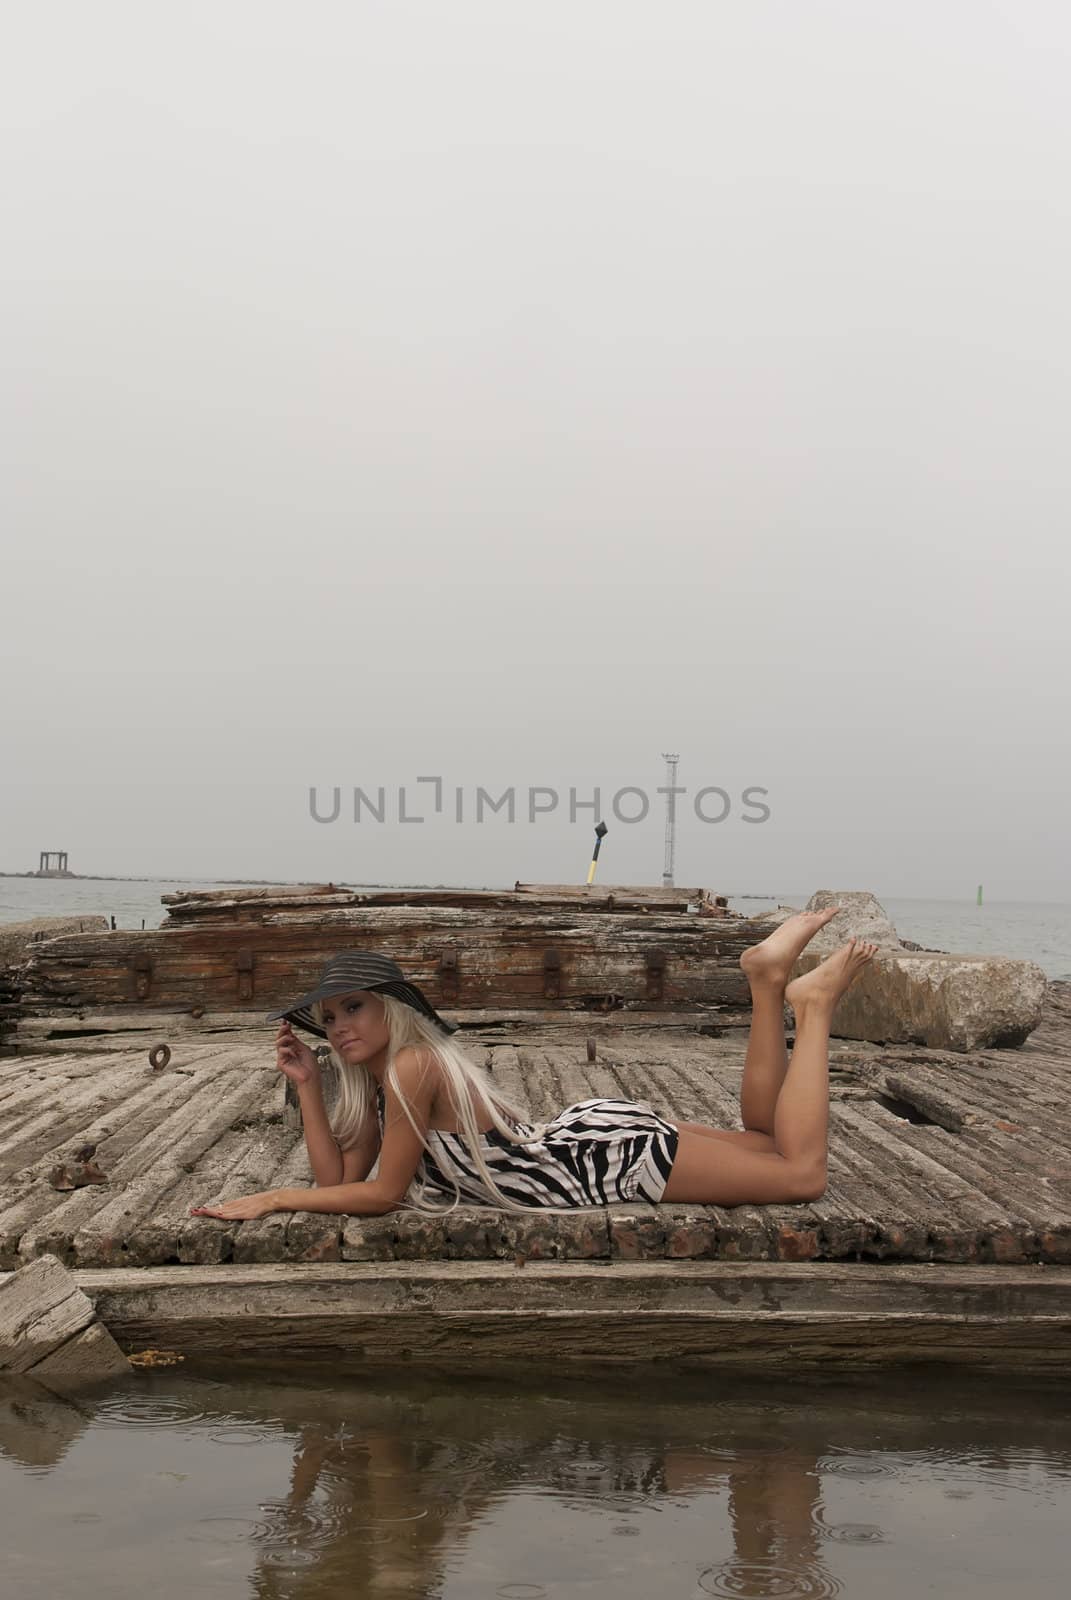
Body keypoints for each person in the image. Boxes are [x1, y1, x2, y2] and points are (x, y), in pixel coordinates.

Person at [190, 909, 876, 1222]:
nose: (338, 1027)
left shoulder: (412, 1068)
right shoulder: (384, 1079)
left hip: (590, 1163)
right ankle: (762, 986)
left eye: (353, 1009)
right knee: (765, 1143)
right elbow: (339, 1179)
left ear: (392, 1010)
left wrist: (275, 1198)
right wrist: (308, 1087)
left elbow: (381, 1197)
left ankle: (808, 1008)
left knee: (798, 1174)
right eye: (329, 1017)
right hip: (580, 1143)